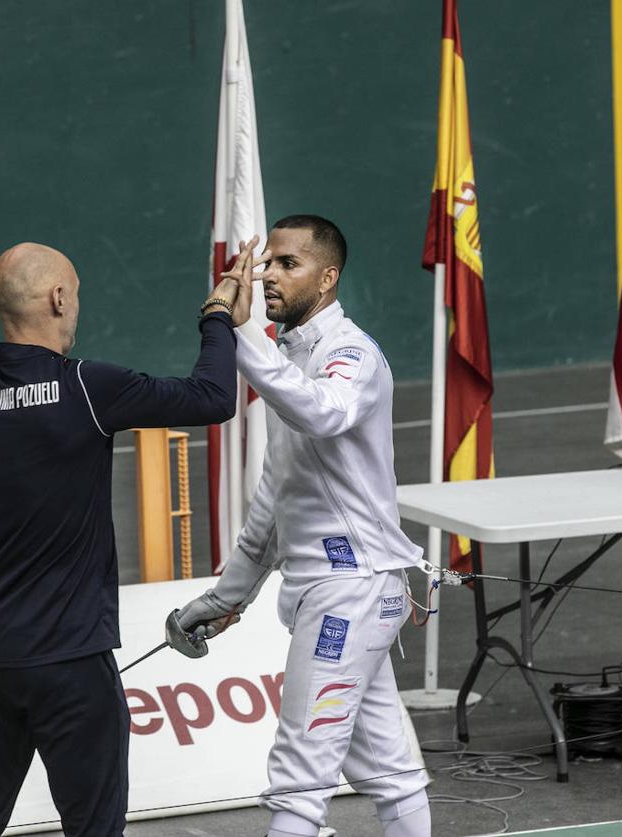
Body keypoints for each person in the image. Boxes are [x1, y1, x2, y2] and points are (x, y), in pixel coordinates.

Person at [0, 239, 257, 837]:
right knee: (93, 829)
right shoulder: (88, 388)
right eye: (77, 296)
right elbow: (213, 398)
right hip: (71, 662)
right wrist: (217, 316)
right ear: (59, 299)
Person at [175, 216, 432, 837]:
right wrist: (223, 598)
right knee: (391, 771)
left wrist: (241, 336)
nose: (268, 275)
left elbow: (325, 412)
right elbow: (275, 499)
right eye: (267, 262)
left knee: (299, 777)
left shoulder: (350, 354)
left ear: (328, 276)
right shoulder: (288, 358)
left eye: (288, 264)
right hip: (337, 594)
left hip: (352, 591)